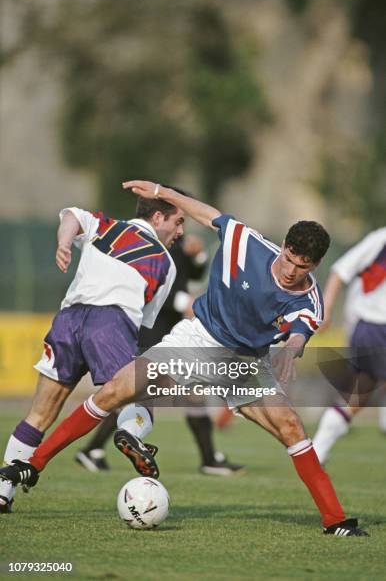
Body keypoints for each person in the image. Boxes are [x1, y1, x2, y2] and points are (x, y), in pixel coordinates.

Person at [1, 181, 368, 536]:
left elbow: (300, 331)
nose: (291, 271)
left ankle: (334, 521)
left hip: (244, 362)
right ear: (283, 246)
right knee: (114, 392)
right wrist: (163, 194)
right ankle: (33, 465)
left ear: (315, 266)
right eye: (289, 259)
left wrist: (290, 350)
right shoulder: (247, 243)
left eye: (302, 267)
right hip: (197, 339)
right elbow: (208, 215)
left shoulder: (310, 299)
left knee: (291, 428)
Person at [0, 187, 186, 513]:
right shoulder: (165, 263)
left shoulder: (105, 224)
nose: (180, 231)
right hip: (111, 323)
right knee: (138, 393)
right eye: (179, 221)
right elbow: (145, 321)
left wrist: (62, 244)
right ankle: (130, 434)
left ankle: (3, 491)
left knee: (39, 414)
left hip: (68, 319)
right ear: (158, 217)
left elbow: (70, 216)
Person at [75, 234, 244, 475]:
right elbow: (152, 289)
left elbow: (192, 276)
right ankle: (92, 449)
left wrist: (198, 257)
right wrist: (187, 302)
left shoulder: (177, 240)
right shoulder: (152, 241)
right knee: (136, 395)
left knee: (183, 393)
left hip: (170, 332)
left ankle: (209, 458)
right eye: (178, 218)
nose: (181, 226)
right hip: (154, 331)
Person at [313, 228, 386, 464]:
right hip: (375, 326)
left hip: (366, 329)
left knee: (357, 395)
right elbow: (341, 270)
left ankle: (316, 452)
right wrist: (326, 309)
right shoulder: (381, 239)